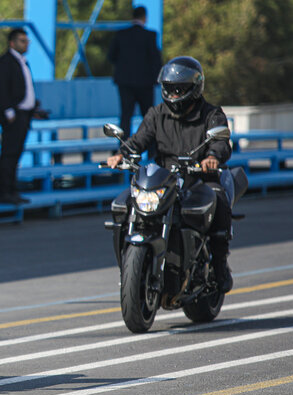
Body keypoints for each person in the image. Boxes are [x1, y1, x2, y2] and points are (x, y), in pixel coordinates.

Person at [106, 56, 234, 294]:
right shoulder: (157, 114)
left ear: (193, 89)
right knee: (124, 203)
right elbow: (139, 140)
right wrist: (122, 154)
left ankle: (219, 266)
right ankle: (130, 267)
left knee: (219, 198)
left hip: (199, 178)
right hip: (164, 179)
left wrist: (212, 157)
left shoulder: (211, 114)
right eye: (170, 88)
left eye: (180, 89)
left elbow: (221, 142)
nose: (174, 94)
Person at [0, 28, 36, 205]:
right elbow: (0, 90)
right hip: (13, 116)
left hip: (24, 115)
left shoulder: (22, 62)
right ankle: (4, 192)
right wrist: (8, 111)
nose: (26, 44)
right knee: (9, 154)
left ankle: (13, 190)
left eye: (27, 41)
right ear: (12, 43)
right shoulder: (4, 63)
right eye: (22, 41)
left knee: (16, 154)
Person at [107, 6, 162, 146]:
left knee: (125, 116)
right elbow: (156, 60)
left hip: (125, 83)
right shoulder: (150, 35)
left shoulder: (121, 34)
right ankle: (152, 150)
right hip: (145, 83)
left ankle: (123, 149)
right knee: (148, 117)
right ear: (145, 17)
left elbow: (111, 56)